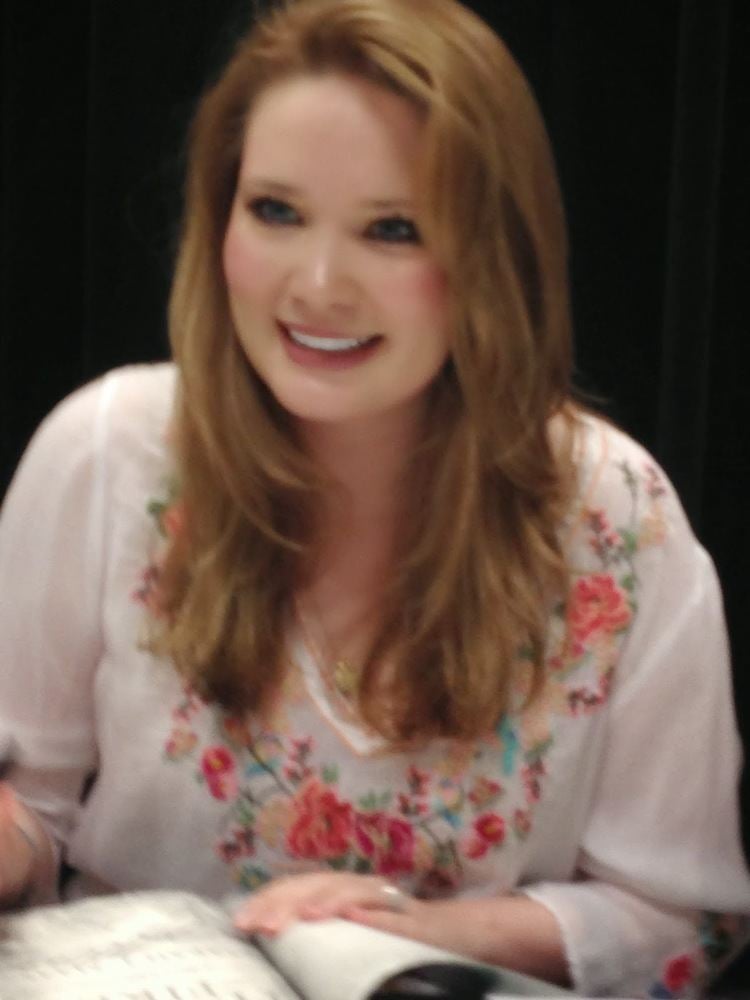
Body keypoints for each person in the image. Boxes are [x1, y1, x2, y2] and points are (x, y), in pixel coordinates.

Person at [1, 0, 748, 995]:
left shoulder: (616, 517)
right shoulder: (106, 450)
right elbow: (31, 816)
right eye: (275, 211)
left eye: (392, 230)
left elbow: (685, 921)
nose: (316, 285)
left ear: (493, 254)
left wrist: (416, 928)